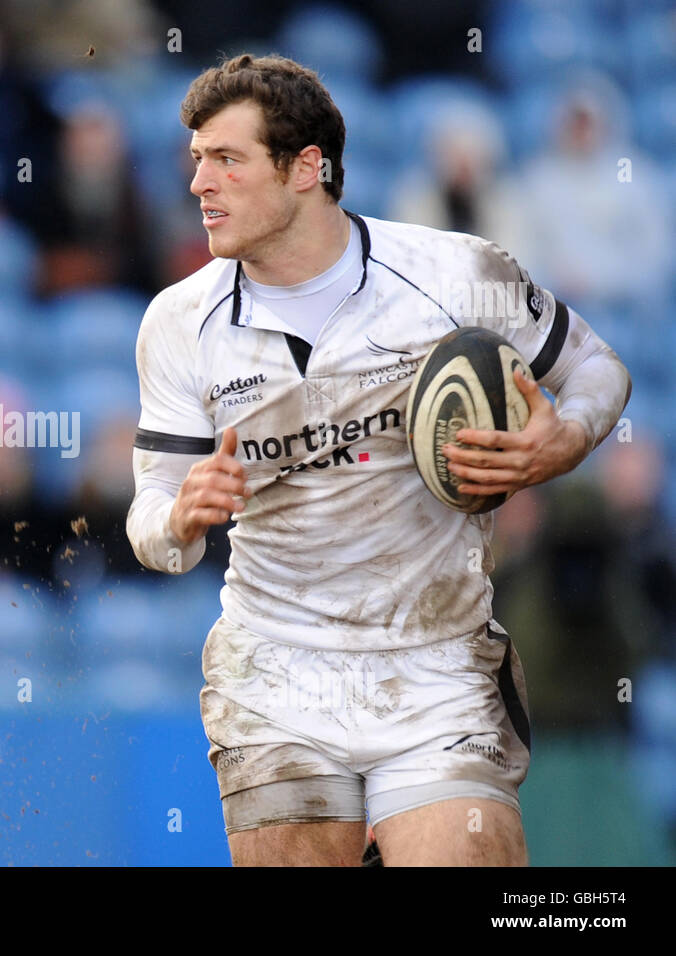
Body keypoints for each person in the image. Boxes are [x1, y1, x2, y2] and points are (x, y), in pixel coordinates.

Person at [125, 54, 632, 866]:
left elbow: (597, 369)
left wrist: (563, 442)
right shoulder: (179, 322)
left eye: (227, 159)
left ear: (306, 170)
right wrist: (180, 515)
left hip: (436, 662)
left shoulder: (455, 273)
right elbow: (152, 519)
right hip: (274, 673)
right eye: (196, 161)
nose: (199, 185)